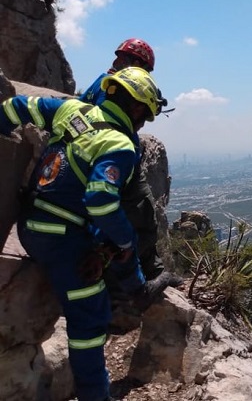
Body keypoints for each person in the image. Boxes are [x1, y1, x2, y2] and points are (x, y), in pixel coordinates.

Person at [0, 67, 180, 401]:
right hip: (63, 240)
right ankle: (96, 395)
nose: (143, 125)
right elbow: (99, 199)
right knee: (90, 318)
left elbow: (19, 106)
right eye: (146, 116)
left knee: (110, 239)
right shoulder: (120, 144)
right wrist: (126, 241)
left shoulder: (72, 110)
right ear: (138, 109)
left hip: (31, 225)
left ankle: (136, 286)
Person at [80, 38, 165, 282]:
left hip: (92, 155)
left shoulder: (103, 82)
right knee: (142, 211)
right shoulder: (121, 86)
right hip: (116, 156)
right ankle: (147, 272)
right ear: (137, 63)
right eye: (145, 70)